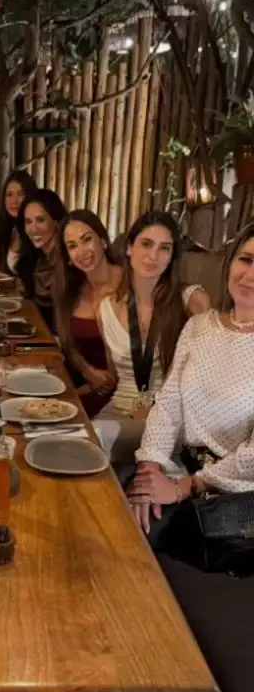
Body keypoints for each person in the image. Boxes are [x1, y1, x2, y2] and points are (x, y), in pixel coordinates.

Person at [127, 223, 254, 548]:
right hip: (178, 469)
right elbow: (167, 405)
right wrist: (149, 469)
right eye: (247, 260)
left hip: (232, 496)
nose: (250, 275)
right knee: (117, 506)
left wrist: (186, 487)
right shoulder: (199, 326)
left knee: (129, 537)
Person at [93, 211, 210, 464]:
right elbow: (114, 376)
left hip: (168, 418)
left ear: (172, 257)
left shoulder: (192, 301)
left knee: (89, 440)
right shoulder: (105, 308)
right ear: (128, 247)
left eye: (164, 248)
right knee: (77, 445)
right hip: (119, 411)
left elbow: (203, 380)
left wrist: (154, 412)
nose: (153, 256)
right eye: (146, 244)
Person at [54, 209, 122, 417]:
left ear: (102, 238)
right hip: (78, 382)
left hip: (117, 392)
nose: (82, 252)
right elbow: (67, 342)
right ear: (67, 257)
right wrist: (85, 371)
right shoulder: (71, 288)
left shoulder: (129, 283)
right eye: (72, 246)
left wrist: (86, 389)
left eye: (86, 240)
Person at [16, 188, 67, 332]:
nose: (33, 229)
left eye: (40, 220)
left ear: (55, 220)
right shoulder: (37, 260)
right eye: (28, 222)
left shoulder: (68, 261)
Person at [0, 170, 37, 275]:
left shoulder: (37, 230)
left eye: (20, 194)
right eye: (9, 194)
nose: (14, 201)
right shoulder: (10, 227)